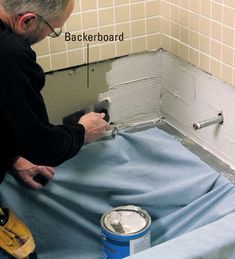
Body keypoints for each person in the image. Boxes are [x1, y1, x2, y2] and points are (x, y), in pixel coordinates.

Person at [0, 0, 110, 190]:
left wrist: (12, 156)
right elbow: (43, 146)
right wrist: (83, 132)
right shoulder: (9, 55)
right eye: (53, 29)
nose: (49, 34)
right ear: (27, 21)